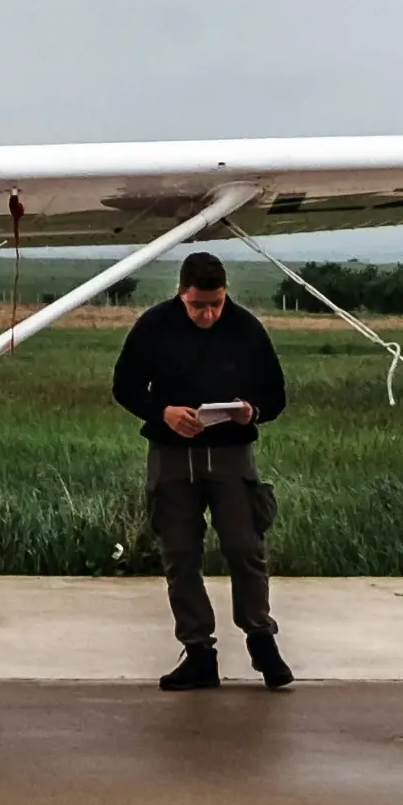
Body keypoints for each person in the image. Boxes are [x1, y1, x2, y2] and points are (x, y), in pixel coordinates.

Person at [110, 251, 292, 689]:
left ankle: (261, 639)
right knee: (180, 555)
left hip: (231, 456)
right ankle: (198, 651)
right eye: (197, 306)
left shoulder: (247, 328)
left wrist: (254, 412)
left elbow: (276, 393)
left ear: (225, 294)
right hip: (172, 455)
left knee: (245, 548)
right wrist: (164, 412)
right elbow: (124, 386)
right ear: (181, 293)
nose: (208, 314)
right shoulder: (153, 326)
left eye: (215, 304)